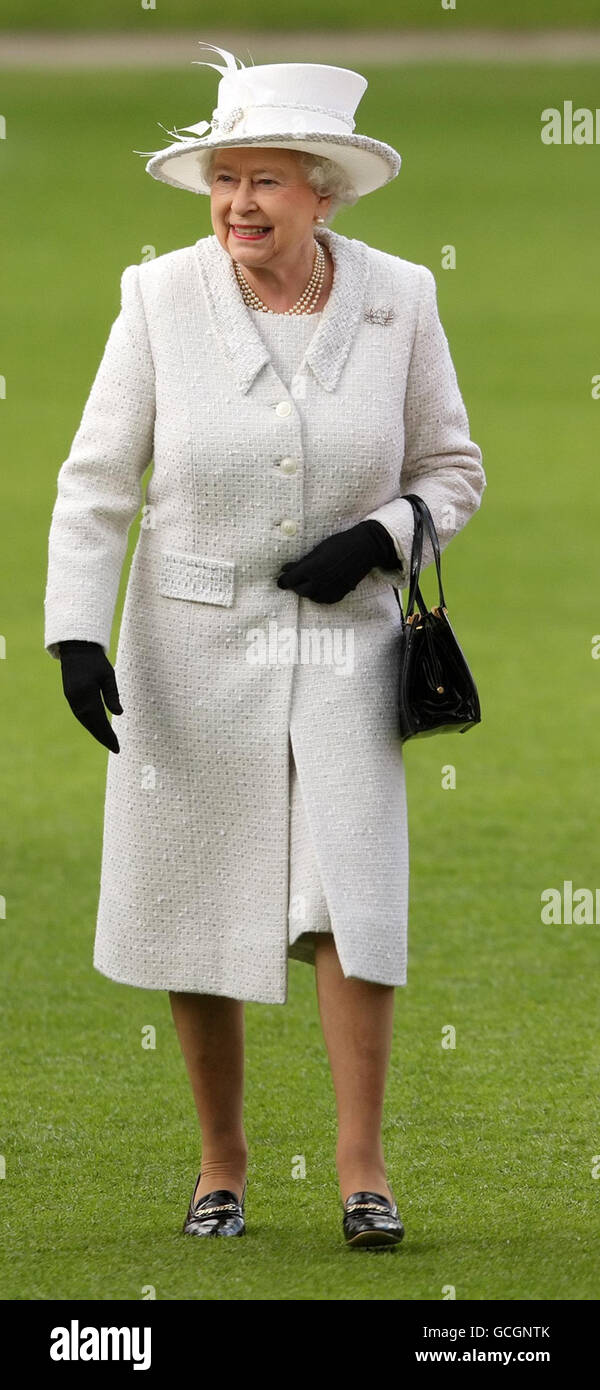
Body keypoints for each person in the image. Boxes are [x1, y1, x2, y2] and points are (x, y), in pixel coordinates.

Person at [44, 42, 486, 1248]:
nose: (238, 203)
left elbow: (453, 471)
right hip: (188, 652)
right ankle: (221, 1167)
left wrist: (383, 536)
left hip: (346, 653)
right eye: (222, 178)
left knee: (353, 901)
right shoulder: (156, 299)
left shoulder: (401, 299)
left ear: (324, 191)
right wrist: (76, 634)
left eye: (266, 182)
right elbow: (94, 484)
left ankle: (363, 1173)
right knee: (200, 894)